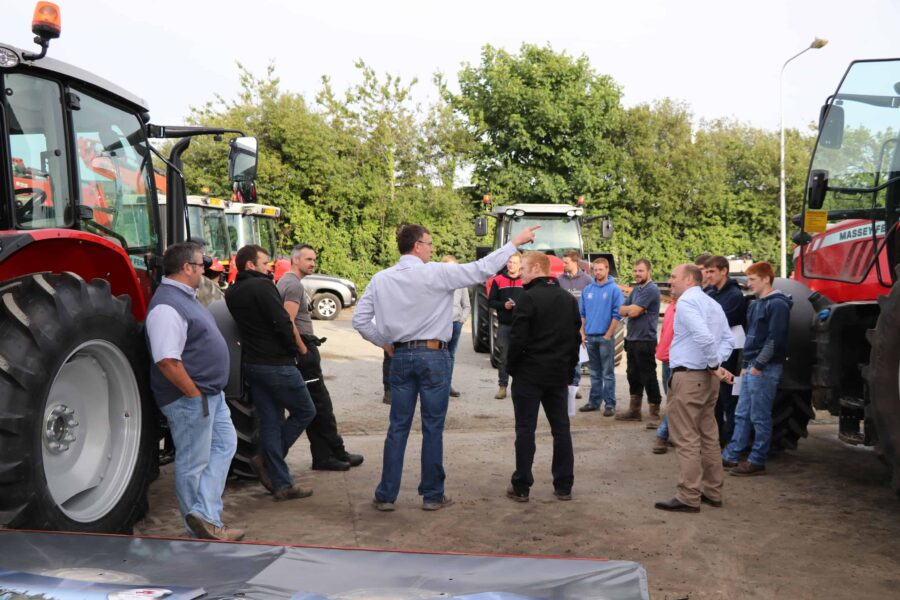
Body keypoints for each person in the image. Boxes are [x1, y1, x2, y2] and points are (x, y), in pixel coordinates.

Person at [353, 223, 540, 512]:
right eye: (429, 244)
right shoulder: (436, 272)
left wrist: (385, 344)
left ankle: (387, 494)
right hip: (433, 355)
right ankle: (431, 495)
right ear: (417, 245)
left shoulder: (381, 279)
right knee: (432, 427)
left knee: (398, 427)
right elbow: (481, 269)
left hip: (400, 356)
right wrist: (514, 243)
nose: (432, 249)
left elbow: (360, 320)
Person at [145, 242, 242, 541]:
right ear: (187, 268)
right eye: (201, 265)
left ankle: (205, 514)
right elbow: (166, 360)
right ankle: (201, 528)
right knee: (193, 461)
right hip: (192, 398)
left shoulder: (184, 298)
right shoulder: (166, 306)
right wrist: (192, 394)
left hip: (211, 394)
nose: (205, 270)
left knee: (226, 445)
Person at [225, 244, 317, 501]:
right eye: (265, 263)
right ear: (250, 265)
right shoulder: (263, 286)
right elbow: (282, 321)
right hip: (277, 364)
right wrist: (300, 348)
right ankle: (266, 460)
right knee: (306, 410)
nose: (270, 268)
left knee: (270, 421)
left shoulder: (232, 292)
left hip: (253, 364)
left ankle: (281, 484)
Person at [277, 244, 364, 471]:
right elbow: (288, 321)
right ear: (295, 260)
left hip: (302, 347)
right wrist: (303, 349)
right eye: (308, 259)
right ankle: (327, 455)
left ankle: (333, 452)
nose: (312, 263)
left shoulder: (286, 282)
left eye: (314, 259)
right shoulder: (293, 285)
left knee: (318, 404)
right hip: (303, 349)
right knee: (320, 404)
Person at [655, 264, 734, 513]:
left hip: (690, 378)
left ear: (689, 280)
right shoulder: (712, 303)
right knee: (709, 436)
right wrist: (715, 366)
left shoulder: (688, 303)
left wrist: (713, 363)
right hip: (707, 380)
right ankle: (713, 491)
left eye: (673, 276)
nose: (670, 281)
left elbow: (705, 337)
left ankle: (689, 495)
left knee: (686, 437)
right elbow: (727, 340)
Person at [504, 252, 581, 502]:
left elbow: (517, 340)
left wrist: (512, 369)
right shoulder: (568, 300)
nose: (520, 272)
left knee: (526, 430)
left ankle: (522, 486)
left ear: (537, 268)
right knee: (561, 429)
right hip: (557, 376)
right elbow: (574, 341)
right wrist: (568, 372)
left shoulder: (527, 298)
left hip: (529, 375)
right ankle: (564, 485)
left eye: (524, 267)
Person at [722, 261, 792, 476]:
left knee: (760, 416)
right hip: (752, 367)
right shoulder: (756, 304)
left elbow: (775, 339)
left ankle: (757, 460)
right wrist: (745, 365)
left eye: (752, 280)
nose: (749, 284)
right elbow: (751, 338)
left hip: (765, 368)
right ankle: (732, 455)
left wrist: (758, 365)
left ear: (766, 279)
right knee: (742, 413)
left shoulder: (777, 305)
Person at [703, 255, 747, 446]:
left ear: (724, 271)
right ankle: (716, 440)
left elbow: (718, 324)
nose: (708, 275)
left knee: (729, 400)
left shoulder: (734, 296)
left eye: (712, 271)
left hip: (731, 357)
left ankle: (731, 443)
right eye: (707, 271)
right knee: (715, 401)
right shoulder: (711, 294)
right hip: (715, 355)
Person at [617, 259, 662, 424]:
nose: (637, 274)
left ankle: (654, 414)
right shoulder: (636, 290)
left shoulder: (651, 290)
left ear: (649, 271)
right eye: (635, 271)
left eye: (641, 271)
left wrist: (631, 309)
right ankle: (635, 411)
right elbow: (621, 310)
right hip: (632, 339)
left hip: (645, 340)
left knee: (648, 376)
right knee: (632, 375)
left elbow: (634, 312)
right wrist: (631, 309)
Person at [578, 257, 624, 416]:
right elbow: (582, 314)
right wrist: (582, 333)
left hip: (605, 337)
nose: (597, 272)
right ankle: (594, 402)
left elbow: (617, 314)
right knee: (594, 372)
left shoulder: (614, 290)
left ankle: (610, 404)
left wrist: (609, 334)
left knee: (608, 373)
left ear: (607, 269)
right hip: (590, 337)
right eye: (595, 269)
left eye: (600, 269)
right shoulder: (587, 290)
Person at [488, 253, 524, 400]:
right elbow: (491, 302)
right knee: (503, 358)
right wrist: (504, 305)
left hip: (522, 326)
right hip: (505, 325)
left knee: (522, 357)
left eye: (514, 262)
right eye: (509, 262)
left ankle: (519, 387)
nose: (511, 265)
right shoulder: (498, 280)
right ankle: (503, 387)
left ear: (520, 264)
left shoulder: (525, 281)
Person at [559, 249, 593, 398]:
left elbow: (591, 304)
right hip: (563, 324)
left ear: (575, 262)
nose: (563, 264)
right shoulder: (559, 280)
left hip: (580, 325)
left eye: (566, 262)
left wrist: (584, 327)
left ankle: (574, 385)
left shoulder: (587, 281)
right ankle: (563, 385)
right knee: (562, 356)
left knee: (577, 357)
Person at [652, 292, 678, 454]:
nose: (671, 288)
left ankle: (663, 433)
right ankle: (672, 431)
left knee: (674, 400)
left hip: (676, 361)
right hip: (665, 358)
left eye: (674, 283)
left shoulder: (686, 308)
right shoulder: (671, 307)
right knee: (670, 399)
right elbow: (665, 332)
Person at [442, 255, 471, 398]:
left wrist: (462, 319)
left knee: (451, 354)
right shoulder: (437, 283)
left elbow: (467, 305)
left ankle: (448, 384)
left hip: (455, 324)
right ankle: (438, 384)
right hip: (440, 325)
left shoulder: (462, 284)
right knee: (438, 354)